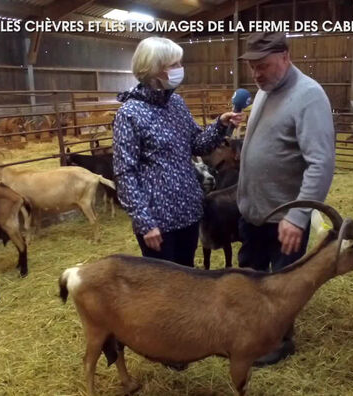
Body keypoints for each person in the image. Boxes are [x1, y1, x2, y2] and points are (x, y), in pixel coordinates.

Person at [236, 32, 335, 366]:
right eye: (253, 67)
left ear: (285, 56)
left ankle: (278, 341)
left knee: (282, 283)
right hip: (255, 211)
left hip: (284, 218)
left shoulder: (309, 96)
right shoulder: (267, 90)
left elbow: (320, 163)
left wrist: (299, 215)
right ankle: (254, 330)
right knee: (252, 274)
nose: (256, 74)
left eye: (263, 66)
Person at [113, 36, 243, 267]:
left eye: (179, 64)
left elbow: (198, 145)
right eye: (174, 65)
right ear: (154, 69)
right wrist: (144, 221)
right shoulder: (130, 113)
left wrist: (221, 125)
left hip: (189, 212)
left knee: (187, 277)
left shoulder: (176, 104)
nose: (180, 70)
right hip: (158, 221)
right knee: (164, 288)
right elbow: (125, 173)